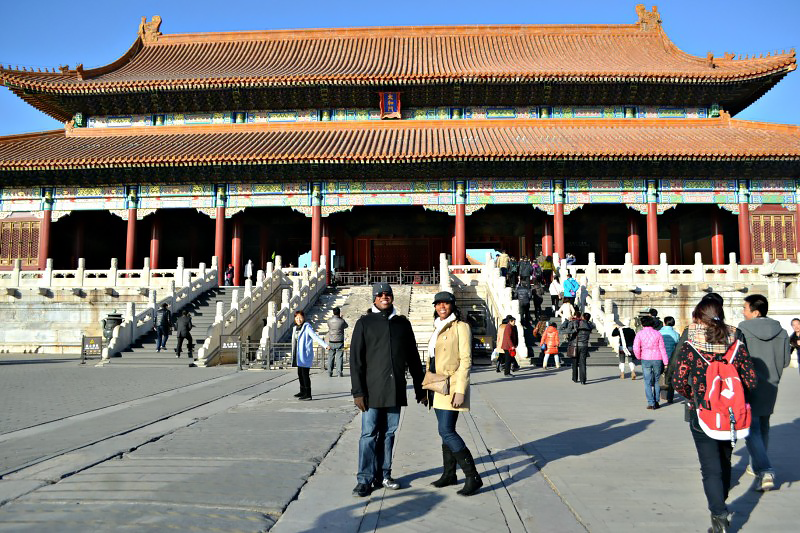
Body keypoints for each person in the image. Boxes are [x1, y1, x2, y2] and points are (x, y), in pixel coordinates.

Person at [672, 298, 757, 533]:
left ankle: (719, 515)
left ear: (698, 317)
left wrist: (695, 397)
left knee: (709, 468)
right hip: (731, 415)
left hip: (703, 413)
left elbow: (679, 381)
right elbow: (751, 380)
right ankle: (721, 500)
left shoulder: (691, 345)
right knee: (724, 461)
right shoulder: (735, 342)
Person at [350, 282, 427, 497]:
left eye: (388, 294)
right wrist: (358, 392)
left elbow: (413, 357)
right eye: (380, 294)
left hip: (395, 389)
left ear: (392, 297)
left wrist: (421, 389)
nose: (384, 297)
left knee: (389, 434)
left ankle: (384, 474)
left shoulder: (402, 323)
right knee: (368, 434)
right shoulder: (364, 323)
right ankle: (364, 478)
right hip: (371, 391)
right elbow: (355, 360)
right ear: (374, 298)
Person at [426, 291, 483, 496]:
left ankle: (473, 476)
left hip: (452, 386)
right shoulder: (437, 326)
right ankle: (449, 474)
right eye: (438, 303)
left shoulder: (461, 327)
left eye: (446, 304)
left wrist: (461, 390)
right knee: (444, 432)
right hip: (437, 385)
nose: (442, 307)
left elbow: (466, 360)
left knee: (447, 430)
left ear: (452, 305)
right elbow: (433, 358)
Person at [738, 294, 791, 491]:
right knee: (764, 424)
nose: (743, 312)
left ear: (755, 311)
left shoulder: (743, 329)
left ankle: (765, 469)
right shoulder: (782, 331)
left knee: (751, 429)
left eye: (745, 308)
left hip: (749, 385)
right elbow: (785, 362)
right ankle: (755, 464)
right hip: (772, 385)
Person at [291, 310, 329, 401]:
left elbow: (315, 337)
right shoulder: (295, 328)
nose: (298, 319)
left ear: (303, 318)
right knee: (300, 373)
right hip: (298, 354)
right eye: (296, 318)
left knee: (305, 374)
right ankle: (302, 391)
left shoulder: (307, 327)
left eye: (300, 317)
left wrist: (325, 345)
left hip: (305, 354)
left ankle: (308, 394)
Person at [633, 315, 668, 409]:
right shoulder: (658, 334)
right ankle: (656, 401)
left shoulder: (639, 334)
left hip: (645, 358)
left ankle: (651, 402)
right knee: (657, 381)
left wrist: (638, 356)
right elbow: (662, 348)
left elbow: (636, 347)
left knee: (647, 381)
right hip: (657, 358)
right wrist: (666, 362)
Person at [568, 312, 594, 384]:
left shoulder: (577, 323)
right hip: (584, 345)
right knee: (583, 363)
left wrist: (571, 320)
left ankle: (575, 378)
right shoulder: (589, 325)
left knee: (575, 362)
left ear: (582, 317)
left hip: (576, 344)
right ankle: (583, 380)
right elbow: (592, 325)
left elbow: (568, 329)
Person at [325, 307, 348, 377]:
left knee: (330, 357)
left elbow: (329, 326)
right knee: (339, 357)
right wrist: (341, 318)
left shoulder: (329, 321)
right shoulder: (342, 321)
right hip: (340, 341)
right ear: (339, 312)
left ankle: (329, 372)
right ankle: (339, 372)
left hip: (331, 341)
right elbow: (346, 326)